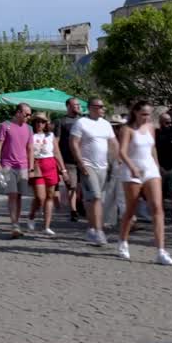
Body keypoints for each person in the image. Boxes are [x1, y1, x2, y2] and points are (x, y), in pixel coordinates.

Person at [112, 101, 172, 265]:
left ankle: (161, 250)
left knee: (157, 208)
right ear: (136, 113)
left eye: (149, 114)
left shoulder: (151, 128)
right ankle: (123, 241)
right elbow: (122, 152)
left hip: (150, 170)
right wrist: (132, 167)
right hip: (132, 171)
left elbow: (152, 148)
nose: (147, 117)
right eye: (144, 114)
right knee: (131, 210)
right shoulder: (127, 129)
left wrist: (157, 165)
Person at [70, 97, 117, 246]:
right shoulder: (81, 123)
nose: (103, 109)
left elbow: (114, 143)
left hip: (103, 166)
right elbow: (73, 143)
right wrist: (80, 162)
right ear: (91, 107)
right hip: (87, 165)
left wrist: (120, 160)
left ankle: (91, 229)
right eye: (100, 106)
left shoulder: (106, 124)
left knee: (96, 200)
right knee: (96, 197)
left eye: (104, 107)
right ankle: (99, 231)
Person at [0, 104, 35, 238]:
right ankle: (14, 225)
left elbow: (30, 149)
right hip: (7, 165)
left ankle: (16, 223)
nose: (29, 117)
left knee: (19, 196)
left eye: (30, 114)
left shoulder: (29, 129)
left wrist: (31, 168)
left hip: (23, 166)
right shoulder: (6, 125)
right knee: (12, 194)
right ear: (18, 112)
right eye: (26, 114)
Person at [27, 115, 64, 236]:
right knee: (40, 197)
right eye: (37, 121)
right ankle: (31, 216)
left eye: (42, 122)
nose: (40, 124)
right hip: (37, 165)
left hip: (50, 165)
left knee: (50, 196)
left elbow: (57, 152)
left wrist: (63, 169)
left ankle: (46, 226)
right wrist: (30, 168)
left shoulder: (51, 135)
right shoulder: (30, 135)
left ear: (46, 124)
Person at [57, 97, 84, 222]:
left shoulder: (84, 120)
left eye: (79, 105)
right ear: (68, 106)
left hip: (83, 158)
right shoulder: (61, 121)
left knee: (82, 186)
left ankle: (80, 205)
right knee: (71, 186)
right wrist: (58, 161)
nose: (78, 107)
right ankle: (73, 211)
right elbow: (56, 142)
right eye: (75, 105)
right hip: (68, 159)